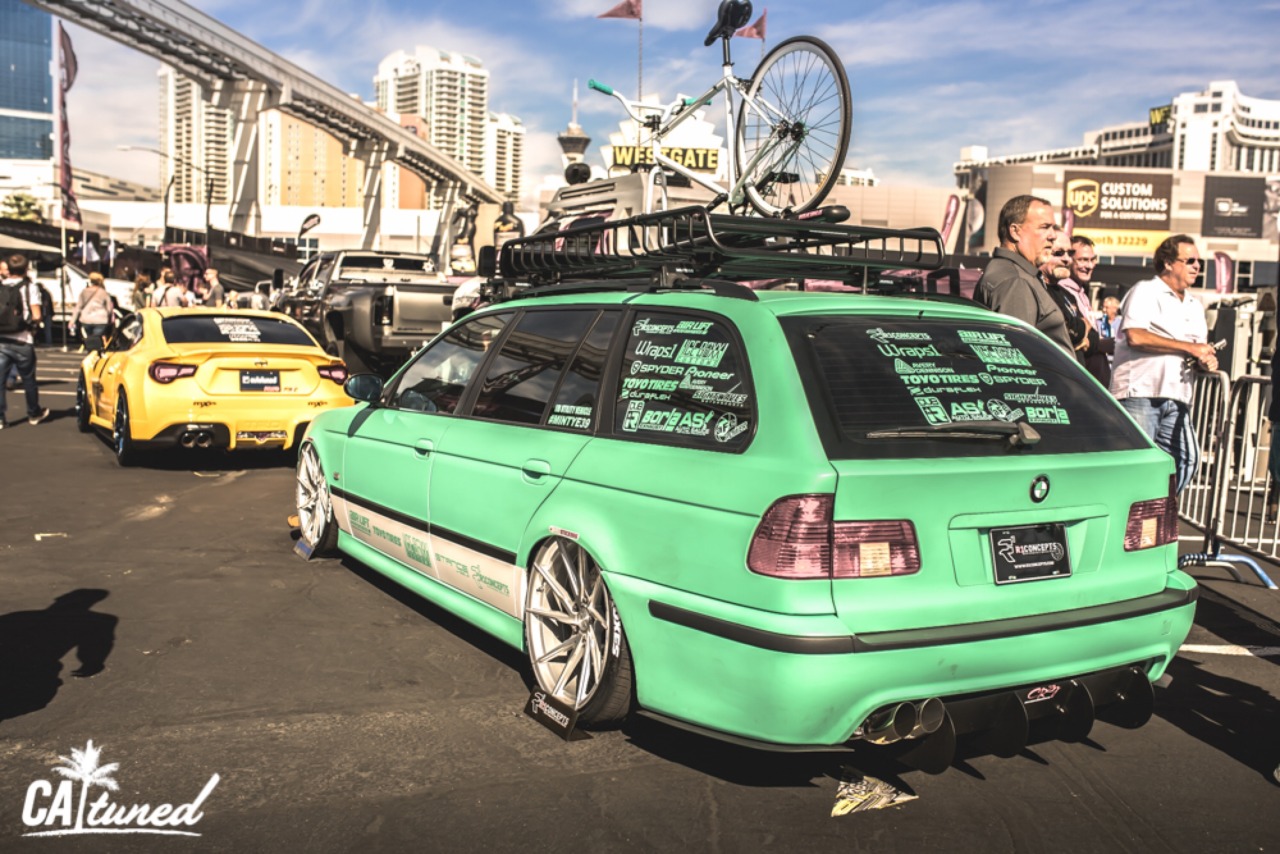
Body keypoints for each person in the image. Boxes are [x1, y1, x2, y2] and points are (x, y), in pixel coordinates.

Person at [1110, 234, 1217, 494]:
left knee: (1187, 460)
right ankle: (1131, 525)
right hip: (1140, 393)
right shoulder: (1145, 290)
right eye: (1190, 260)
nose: (1197, 267)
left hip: (1178, 396)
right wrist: (1190, 347)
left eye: (1199, 262)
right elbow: (1135, 335)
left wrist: (1205, 359)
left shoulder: (1195, 304)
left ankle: (1155, 517)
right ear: (1168, 263)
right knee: (1137, 466)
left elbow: (1195, 350)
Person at [974, 195, 1074, 352]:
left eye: (1053, 228)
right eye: (1044, 227)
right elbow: (1015, 358)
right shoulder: (1015, 281)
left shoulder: (1016, 274)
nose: (1053, 236)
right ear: (1015, 231)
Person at [0, 254, 51, 429]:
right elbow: (36, 314)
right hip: (23, 340)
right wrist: (34, 324)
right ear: (26, 268)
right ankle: (33, 413)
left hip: (1, 340)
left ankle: (0, 418)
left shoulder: (1, 286)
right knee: (29, 379)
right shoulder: (30, 287)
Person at [1037, 229, 1095, 363]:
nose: (1067, 259)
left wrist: (1082, 333)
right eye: (1058, 253)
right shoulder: (1036, 288)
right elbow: (1064, 330)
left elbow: (1094, 339)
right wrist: (1082, 328)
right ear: (1042, 253)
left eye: (1070, 253)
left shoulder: (1067, 295)